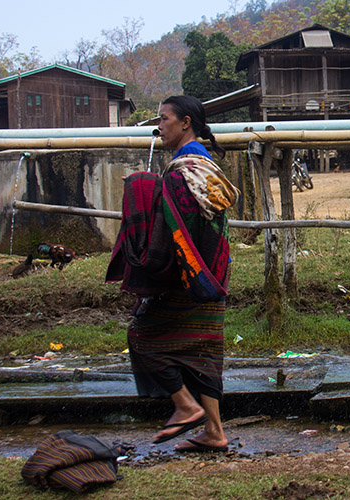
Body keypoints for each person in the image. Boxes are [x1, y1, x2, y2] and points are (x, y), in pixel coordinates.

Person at [106, 95, 239, 452]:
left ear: (185, 123)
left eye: (164, 119)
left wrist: (141, 186)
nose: (159, 126)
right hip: (213, 271)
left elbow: (179, 218)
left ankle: (184, 405)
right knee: (204, 350)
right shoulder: (201, 163)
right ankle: (214, 432)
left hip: (190, 273)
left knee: (143, 336)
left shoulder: (185, 167)